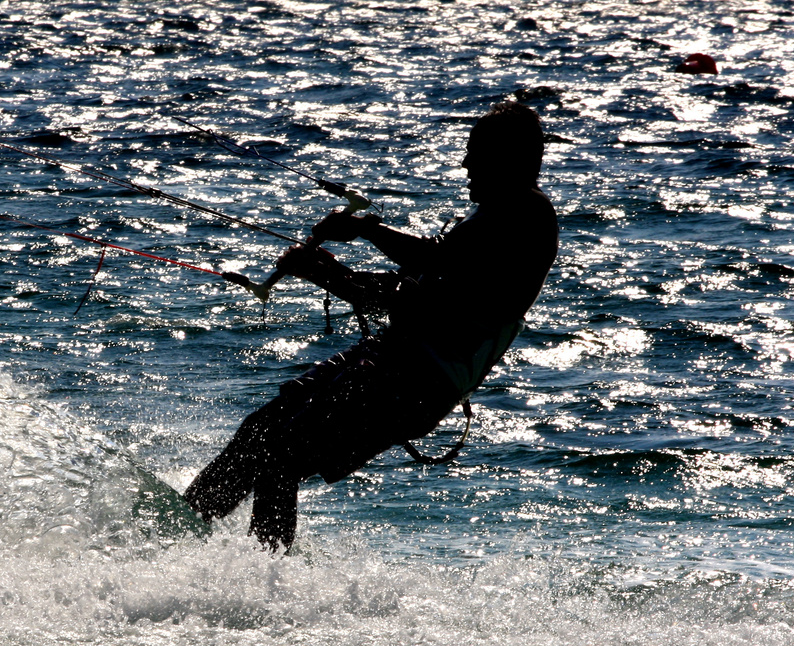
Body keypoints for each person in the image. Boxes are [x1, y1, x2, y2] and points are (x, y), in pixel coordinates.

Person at [183, 101, 559, 550]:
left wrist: (353, 248)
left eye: (475, 153)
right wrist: (337, 269)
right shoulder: (493, 215)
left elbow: (437, 272)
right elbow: (416, 287)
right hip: (389, 358)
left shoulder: (526, 215)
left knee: (280, 460)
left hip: (419, 380)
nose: (465, 164)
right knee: (259, 432)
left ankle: (264, 585)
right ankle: (179, 533)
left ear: (507, 158)